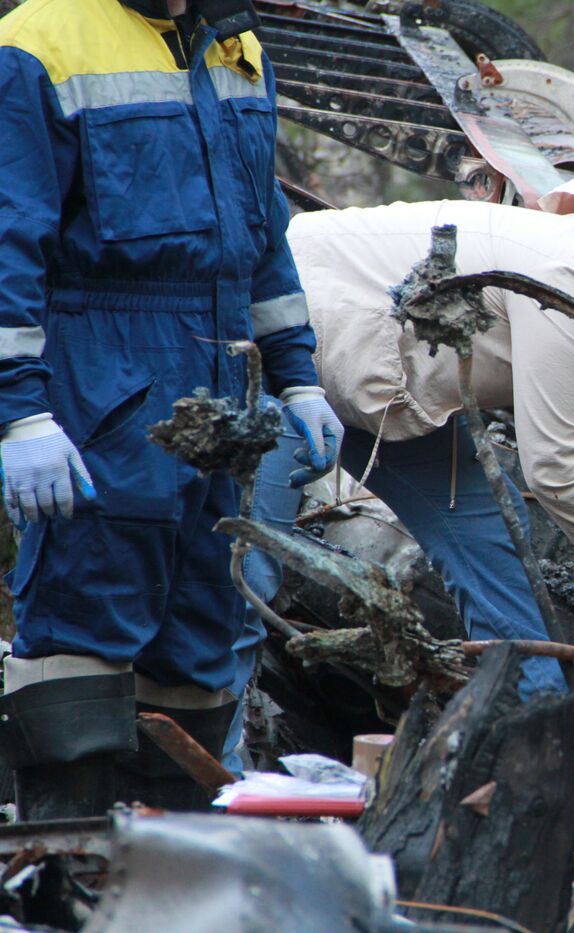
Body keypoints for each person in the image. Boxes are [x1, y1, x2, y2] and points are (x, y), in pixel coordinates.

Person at [236, 178, 574, 822]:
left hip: (389, 378)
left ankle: (556, 769)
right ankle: (219, 768)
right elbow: (556, 465)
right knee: (247, 563)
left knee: (496, 544)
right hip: (292, 345)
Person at [0, 0, 342, 818]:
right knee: (83, 632)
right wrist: (19, 414)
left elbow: (263, 235)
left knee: (199, 641)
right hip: (101, 388)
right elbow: (8, 240)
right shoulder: (38, 42)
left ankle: (174, 882)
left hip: (225, 400)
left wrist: (298, 376)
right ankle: (65, 872)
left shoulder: (238, 43)